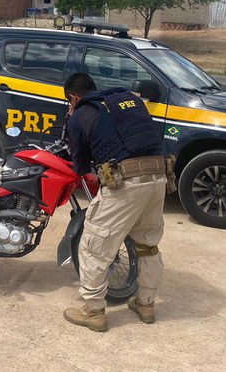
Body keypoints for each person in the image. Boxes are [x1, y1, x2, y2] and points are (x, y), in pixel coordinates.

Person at [62, 72, 166, 332]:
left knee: (93, 246)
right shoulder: (128, 100)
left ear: (74, 97)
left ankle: (94, 311)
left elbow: (81, 166)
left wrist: (74, 128)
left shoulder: (80, 115)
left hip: (126, 183)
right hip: (159, 178)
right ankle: (145, 304)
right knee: (147, 245)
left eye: (69, 102)